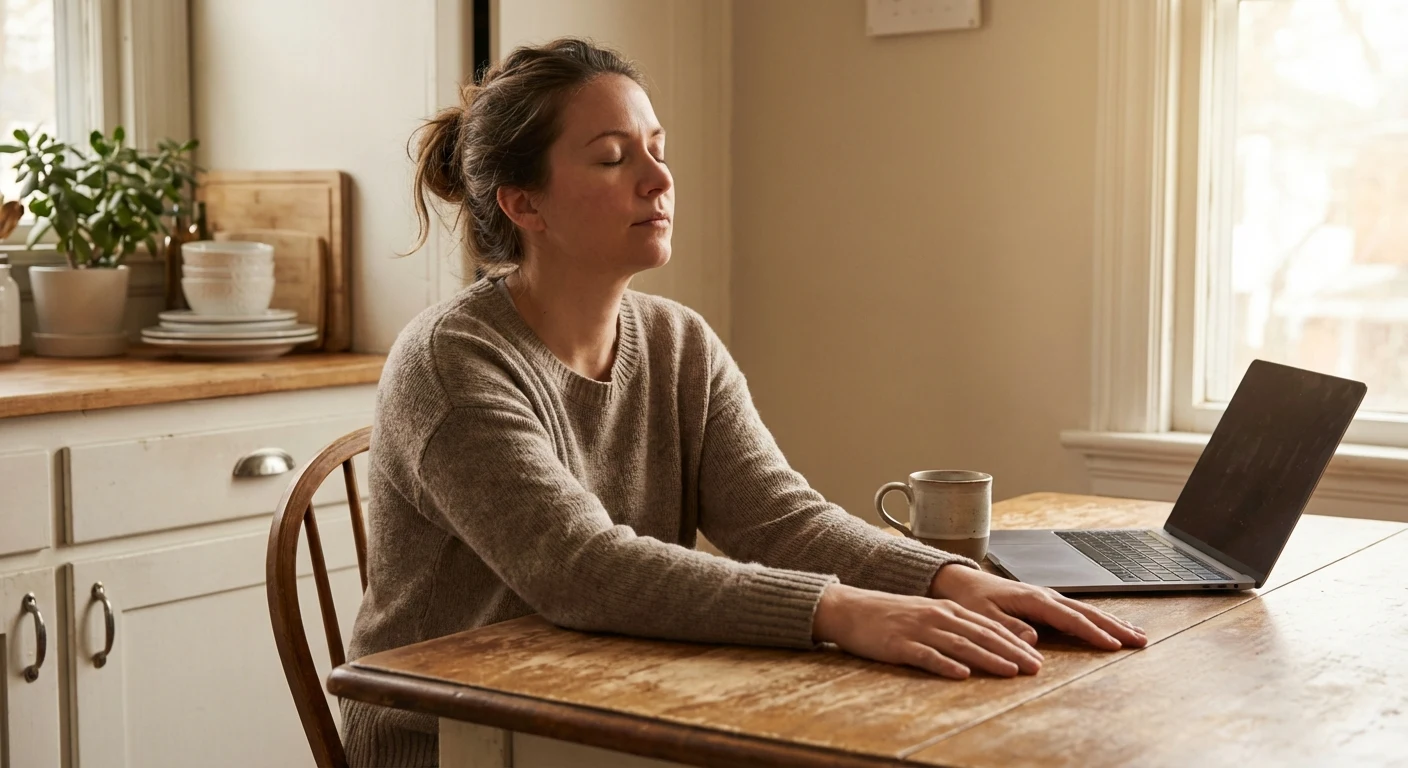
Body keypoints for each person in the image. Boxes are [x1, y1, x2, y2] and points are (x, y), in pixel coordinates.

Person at [343, 37, 1146, 766]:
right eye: (613, 158)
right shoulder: (450, 363)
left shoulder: (676, 342)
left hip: (608, 705)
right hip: (453, 742)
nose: (658, 180)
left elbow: (779, 519)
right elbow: (581, 569)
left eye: (657, 151)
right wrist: (841, 611)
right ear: (525, 205)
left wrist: (942, 579)